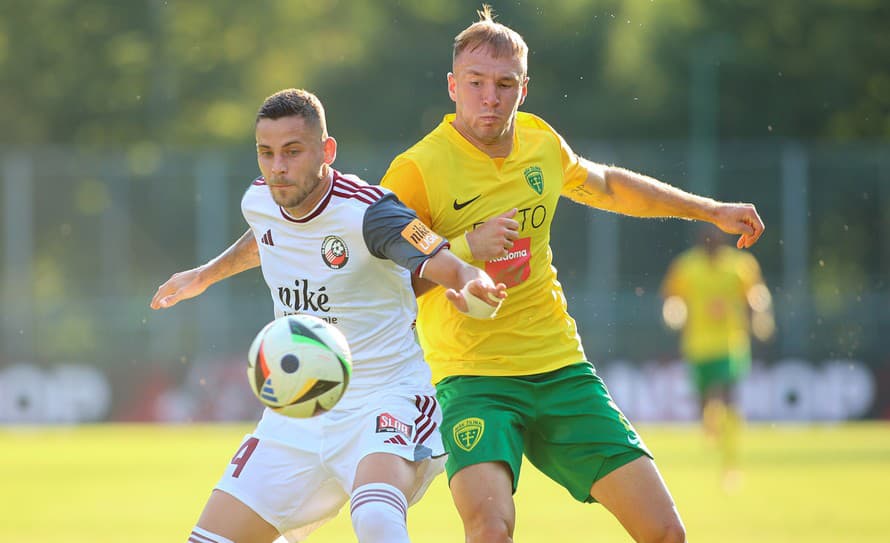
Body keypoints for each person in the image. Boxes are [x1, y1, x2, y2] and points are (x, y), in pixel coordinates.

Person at [378, 6, 765, 543]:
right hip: (472, 381)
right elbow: (383, 279)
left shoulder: (540, 143)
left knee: (666, 533)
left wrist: (709, 210)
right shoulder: (417, 170)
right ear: (452, 86)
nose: (490, 97)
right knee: (490, 530)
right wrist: (465, 248)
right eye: (476, 83)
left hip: (560, 369)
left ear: (524, 88)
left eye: (505, 83)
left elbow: (607, 185)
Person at [150, 88, 506, 543]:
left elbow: (438, 257)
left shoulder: (370, 212)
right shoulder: (260, 200)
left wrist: (468, 279)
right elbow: (265, 235)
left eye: (293, 152)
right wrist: (204, 275)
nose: (278, 166)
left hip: (384, 399)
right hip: (297, 406)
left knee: (376, 520)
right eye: (266, 153)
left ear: (326, 151)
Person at [660, 226, 773, 488]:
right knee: (705, 402)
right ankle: (710, 418)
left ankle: (730, 464)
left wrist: (761, 316)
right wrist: (673, 311)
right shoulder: (686, 267)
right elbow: (672, 296)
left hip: (731, 342)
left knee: (726, 396)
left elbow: (756, 295)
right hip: (698, 346)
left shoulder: (740, 266)